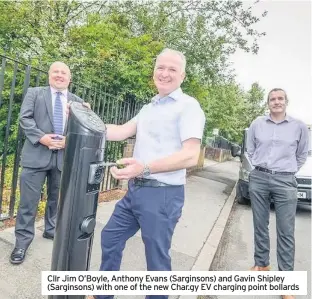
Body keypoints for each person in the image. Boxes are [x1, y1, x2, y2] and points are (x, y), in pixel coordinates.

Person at [93, 48, 206, 299]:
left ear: (182, 76)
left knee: (156, 261)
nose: (164, 73)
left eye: (172, 69)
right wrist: (85, 119)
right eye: (160, 68)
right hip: (136, 191)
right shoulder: (149, 107)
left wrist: (144, 167)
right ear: (154, 71)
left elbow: (190, 155)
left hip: (163, 195)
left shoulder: (188, 107)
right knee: (110, 236)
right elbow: (121, 131)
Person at [10, 61, 89, 265]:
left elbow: (83, 128)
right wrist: (41, 137)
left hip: (63, 159)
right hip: (36, 155)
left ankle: (50, 229)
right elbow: (25, 119)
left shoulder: (77, 101)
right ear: (49, 75)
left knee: (57, 200)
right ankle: (22, 242)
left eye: (64, 72)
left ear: (70, 78)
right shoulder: (35, 93)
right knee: (28, 203)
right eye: (56, 71)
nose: (60, 75)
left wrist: (69, 139)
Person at [247, 88, 309, 299]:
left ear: (286, 102)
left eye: (280, 98)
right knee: (260, 224)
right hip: (259, 177)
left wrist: (286, 170)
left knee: (285, 231)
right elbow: (250, 149)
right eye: (272, 99)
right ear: (268, 103)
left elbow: (301, 155)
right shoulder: (257, 124)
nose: (276, 102)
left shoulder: (299, 126)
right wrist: (260, 167)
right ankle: (262, 264)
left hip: (285, 180)